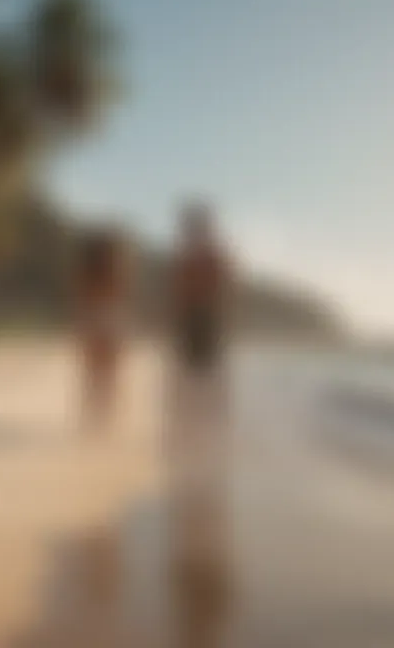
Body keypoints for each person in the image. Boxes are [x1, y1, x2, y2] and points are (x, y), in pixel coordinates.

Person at [164, 201, 234, 587]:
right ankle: (207, 459)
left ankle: (191, 456)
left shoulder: (188, 260)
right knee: (208, 395)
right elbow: (224, 297)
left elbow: (180, 300)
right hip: (210, 328)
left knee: (191, 394)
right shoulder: (217, 257)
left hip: (194, 327)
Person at [75, 227, 129, 435]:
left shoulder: (87, 271)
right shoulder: (113, 269)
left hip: (96, 318)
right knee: (106, 371)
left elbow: (81, 299)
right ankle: (103, 415)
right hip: (108, 318)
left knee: (94, 371)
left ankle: (95, 415)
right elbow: (119, 295)